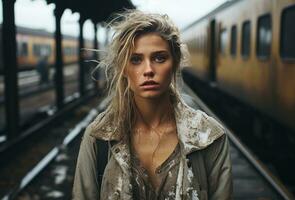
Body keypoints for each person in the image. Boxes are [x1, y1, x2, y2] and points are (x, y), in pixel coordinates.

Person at [73, 10, 232, 200]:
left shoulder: (209, 137)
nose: (148, 70)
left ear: (175, 63)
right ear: (124, 68)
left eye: (159, 58)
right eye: (136, 59)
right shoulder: (98, 137)